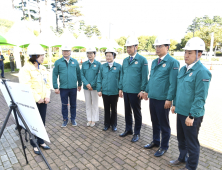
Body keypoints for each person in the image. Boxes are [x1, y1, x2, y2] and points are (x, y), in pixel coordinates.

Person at [169, 37, 211, 170]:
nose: (186, 55)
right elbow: (179, 89)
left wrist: (192, 116)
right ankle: (182, 158)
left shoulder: (202, 72)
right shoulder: (183, 69)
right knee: (181, 139)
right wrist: (175, 104)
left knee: (192, 142)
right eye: (185, 52)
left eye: (190, 53)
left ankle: (191, 166)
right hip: (180, 111)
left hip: (191, 115)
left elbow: (200, 97)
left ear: (199, 54)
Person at [143, 37, 180, 157]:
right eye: (156, 46)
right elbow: (151, 78)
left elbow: (173, 83)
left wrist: (169, 99)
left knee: (164, 123)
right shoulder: (155, 62)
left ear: (167, 47)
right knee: (154, 121)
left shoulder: (172, 62)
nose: (157, 49)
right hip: (153, 97)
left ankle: (164, 146)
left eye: (160, 46)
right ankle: (155, 141)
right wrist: (146, 91)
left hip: (163, 99)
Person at [19, 43, 51, 155]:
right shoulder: (25, 69)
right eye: (41, 55)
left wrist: (47, 96)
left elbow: (47, 84)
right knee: (33, 123)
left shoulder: (42, 68)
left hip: (43, 101)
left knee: (42, 122)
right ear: (34, 56)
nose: (43, 57)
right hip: (32, 101)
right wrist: (37, 98)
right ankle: (34, 144)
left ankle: (41, 141)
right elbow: (26, 86)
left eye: (43, 54)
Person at [119, 36, 148, 142]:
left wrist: (143, 90)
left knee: (136, 112)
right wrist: (121, 88)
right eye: (127, 47)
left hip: (136, 92)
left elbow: (145, 76)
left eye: (130, 47)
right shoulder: (125, 60)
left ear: (136, 47)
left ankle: (137, 132)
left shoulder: (142, 60)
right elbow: (122, 75)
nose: (128, 49)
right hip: (126, 90)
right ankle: (128, 129)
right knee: (127, 111)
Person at [53, 44, 82, 127]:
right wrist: (55, 87)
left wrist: (79, 84)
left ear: (70, 52)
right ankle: (65, 119)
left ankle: (73, 119)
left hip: (73, 87)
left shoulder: (75, 61)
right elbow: (54, 75)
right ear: (62, 52)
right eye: (64, 51)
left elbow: (78, 74)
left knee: (73, 104)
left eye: (67, 51)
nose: (66, 52)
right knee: (64, 105)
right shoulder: (58, 62)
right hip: (63, 88)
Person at [97, 47, 121, 131]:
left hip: (114, 92)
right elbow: (99, 79)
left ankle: (114, 125)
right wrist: (99, 90)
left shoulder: (118, 67)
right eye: (107, 56)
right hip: (105, 92)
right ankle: (106, 124)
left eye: (110, 56)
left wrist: (120, 89)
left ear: (114, 56)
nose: (108, 57)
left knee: (114, 109)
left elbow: (120, 79)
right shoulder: (102, 66)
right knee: (106, 109)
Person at [81, 46, 101, 127]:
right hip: (86, 87)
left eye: (91, 53)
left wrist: (91, 84)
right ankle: (89, 119)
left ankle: (94, 120)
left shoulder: (98, 64)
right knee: (88, 104)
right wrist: (87, 84)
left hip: (94, 87)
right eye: (88, 53)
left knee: (95, 104)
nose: (89, 55)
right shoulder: (84, 64)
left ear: (94, 54)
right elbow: (81, 75)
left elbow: (98, 75)